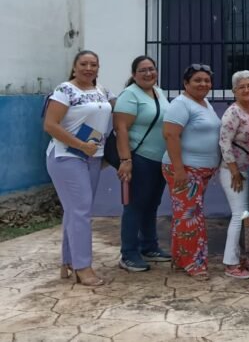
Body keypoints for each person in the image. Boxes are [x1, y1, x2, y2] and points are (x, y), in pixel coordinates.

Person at [43, 50, 115, 286]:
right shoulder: (65, 90)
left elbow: (119, 111)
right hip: (67, 157)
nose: (88, 68)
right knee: (81, 212)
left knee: (76, 211)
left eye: (93, 64)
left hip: (92, 158)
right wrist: (81, 145)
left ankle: (69, 261)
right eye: (83, 64)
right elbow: (50, 125)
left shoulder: (102, 91)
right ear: (74, 67)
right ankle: (83, 267)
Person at [161, 63, 221, 281]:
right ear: (186, 83)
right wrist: (179, 170)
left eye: (206, 80)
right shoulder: (180, 104)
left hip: (201, 171)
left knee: (185, 216)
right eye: (197, 80)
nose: (203, 84)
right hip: (184, 169)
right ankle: (194, 264)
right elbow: (170, 136)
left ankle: (180, 259)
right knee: (191, 218)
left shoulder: (205, 103)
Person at [113, 55, 171, 273]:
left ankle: (149, 246)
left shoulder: (159, 92)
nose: (148, 73)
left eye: (152, 69)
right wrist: (126, 160)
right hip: (139, 158)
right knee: (135, 206)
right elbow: (121, 129)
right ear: (134, 74)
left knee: (151, 204)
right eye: (143, 70)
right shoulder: (130, 95)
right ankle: (128, 254)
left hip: (159, 160)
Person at [218, 70, 249, 279]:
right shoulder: (233, 113)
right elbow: (224, 142)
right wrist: (233, 170)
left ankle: (241, 256)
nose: (247, 90)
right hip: (234, 171)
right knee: (238, 214)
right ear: (234, 91)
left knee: (245, 216)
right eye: (241, 87)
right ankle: (230, 263)